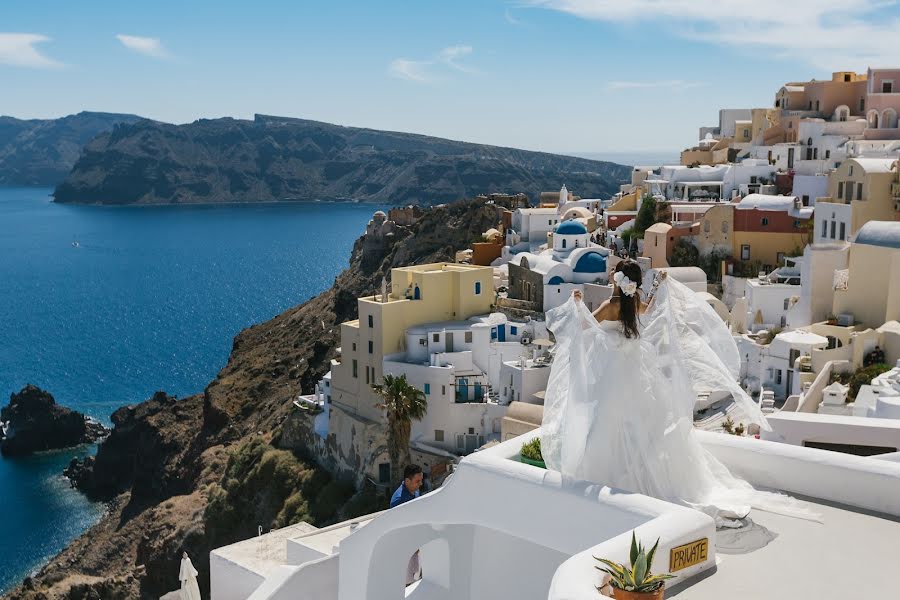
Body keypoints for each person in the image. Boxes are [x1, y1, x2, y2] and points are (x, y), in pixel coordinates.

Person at [542, 259, 817, 525]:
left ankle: (614, 479)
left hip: (614, 374)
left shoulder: (608, 305)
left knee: (608, 423)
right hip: (636, 371)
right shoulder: (634, 304)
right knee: (642, 425)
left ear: (616, 281)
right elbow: (651, 310)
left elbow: (583, 327)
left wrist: (577, 304)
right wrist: (657, 288)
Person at [390, 464, 424, 585]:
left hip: (415, 547)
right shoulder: (398, 501)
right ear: (407, 480)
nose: (420, 484)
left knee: (416, 580)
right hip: (405, 552)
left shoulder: (414, 490)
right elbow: (397, 530)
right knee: (408, 584)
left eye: (421, 480)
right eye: (417, 481)